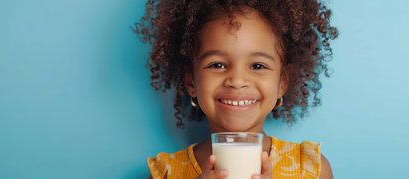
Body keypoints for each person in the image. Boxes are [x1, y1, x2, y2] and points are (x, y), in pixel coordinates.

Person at [134, 0, 338, 178]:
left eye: (258, 66)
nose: (237, 81)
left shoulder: (310, 170)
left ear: (282, 82)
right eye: (217, 65)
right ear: (190, 81)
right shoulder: (166, 173)